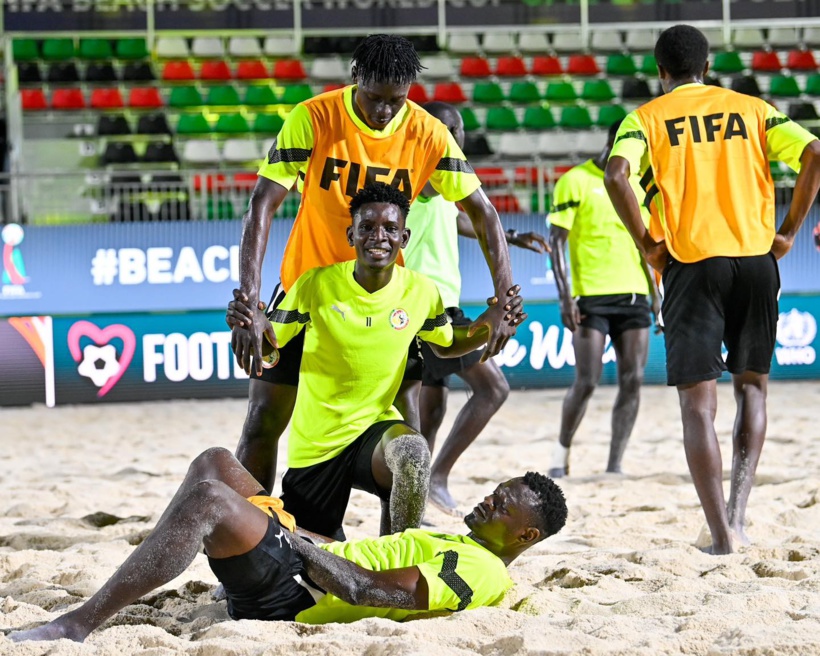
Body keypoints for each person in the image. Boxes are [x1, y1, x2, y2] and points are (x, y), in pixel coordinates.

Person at [228, 34, 520, 495]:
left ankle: (400, 545)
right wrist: (250, 302)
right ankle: (257, 534)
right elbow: (261, 205)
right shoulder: (312, 117)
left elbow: (483, 211)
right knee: (263, 421)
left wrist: (506, 297)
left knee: (408, 433)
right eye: (375, 97)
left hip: (388, 298)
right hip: (307, 288)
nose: (384, 111)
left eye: (396, 101)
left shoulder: (427, 132)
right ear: (354, 78)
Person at [604, 24, 820, 554]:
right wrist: (789, 230)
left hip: (692, 263)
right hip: (755, 259)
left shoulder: (645, 118)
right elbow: (815, 151)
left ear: (660, 72)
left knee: (698, 407)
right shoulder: (751, 108)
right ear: (708, 67)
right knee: (752, 387)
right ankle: (739, 515)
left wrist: (647, 244)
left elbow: (615, 175)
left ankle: (720, 538)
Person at [9, 447, 568, 644]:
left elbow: (366, 589)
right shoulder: (457, 540)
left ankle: (77, 624)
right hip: (308, 560)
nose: (488, 501)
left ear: (526, 536)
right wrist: (303, 536)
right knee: (216, 464)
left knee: (208, 497)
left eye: (502, 504)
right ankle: (168, 552)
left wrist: (291, 542)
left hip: (295, 594)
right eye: (496, 493)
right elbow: (359, 559)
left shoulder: (484, 573)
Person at [232, 183, 509, 541]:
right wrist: (251, 334)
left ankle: (397, 557)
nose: (379, 237)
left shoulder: (423, 291)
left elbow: (445, 344)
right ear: (351, 234)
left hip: (374, 435)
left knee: (412, 453)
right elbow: (272, 350)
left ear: (404, 237)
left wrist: (489, 324)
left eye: (390, 229)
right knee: (310, 554)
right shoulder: (315, 284)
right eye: (367, 227)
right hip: (318, 446)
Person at [403, 101, 549, 514]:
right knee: (492, 388)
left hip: (440, 306)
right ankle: (434, 478)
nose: (455, 136)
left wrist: (512, 235)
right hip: (424, 312)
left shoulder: (444, 188)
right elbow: (464, 209)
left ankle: (420, 490)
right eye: (445, 129)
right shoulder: (424, 177)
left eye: (459, 129)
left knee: (431, 408)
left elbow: (459, 219)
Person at [546, 120, 659, 479]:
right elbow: (555, 242)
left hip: (635, 294)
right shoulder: (574, 181)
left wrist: (657, 293)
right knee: (587, 381)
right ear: (612, 142)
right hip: (589, 297)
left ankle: (615, 465)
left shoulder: (638, 184)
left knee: (633, 379)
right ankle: (561, 453)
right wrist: (565, 298)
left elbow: (645, 244)